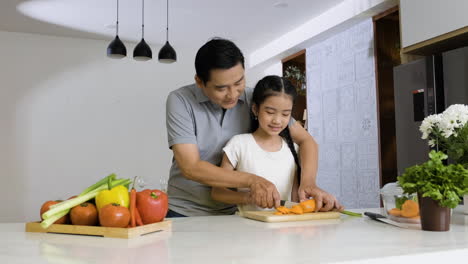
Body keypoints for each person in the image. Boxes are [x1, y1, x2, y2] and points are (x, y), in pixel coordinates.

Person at [165, 38, 341, 217]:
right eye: (221, 88)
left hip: (235, 212)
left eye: (238, 82)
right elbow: (190, 167)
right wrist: (252, 181)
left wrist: (309, 183)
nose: (232, 95)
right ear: (200, 82)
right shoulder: (180, 101)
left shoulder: (255, 100)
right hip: (185, 210)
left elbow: (306, 140)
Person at [211, 75, 343, 212]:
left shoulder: (293, 149)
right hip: (248, 228)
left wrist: (317, 206)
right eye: (270, 112)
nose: (277, 121)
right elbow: (217, 192)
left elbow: (296, 201)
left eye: (285, 114)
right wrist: (249, 198)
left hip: (283, 230)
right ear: (255, 109)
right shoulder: (238, 144)